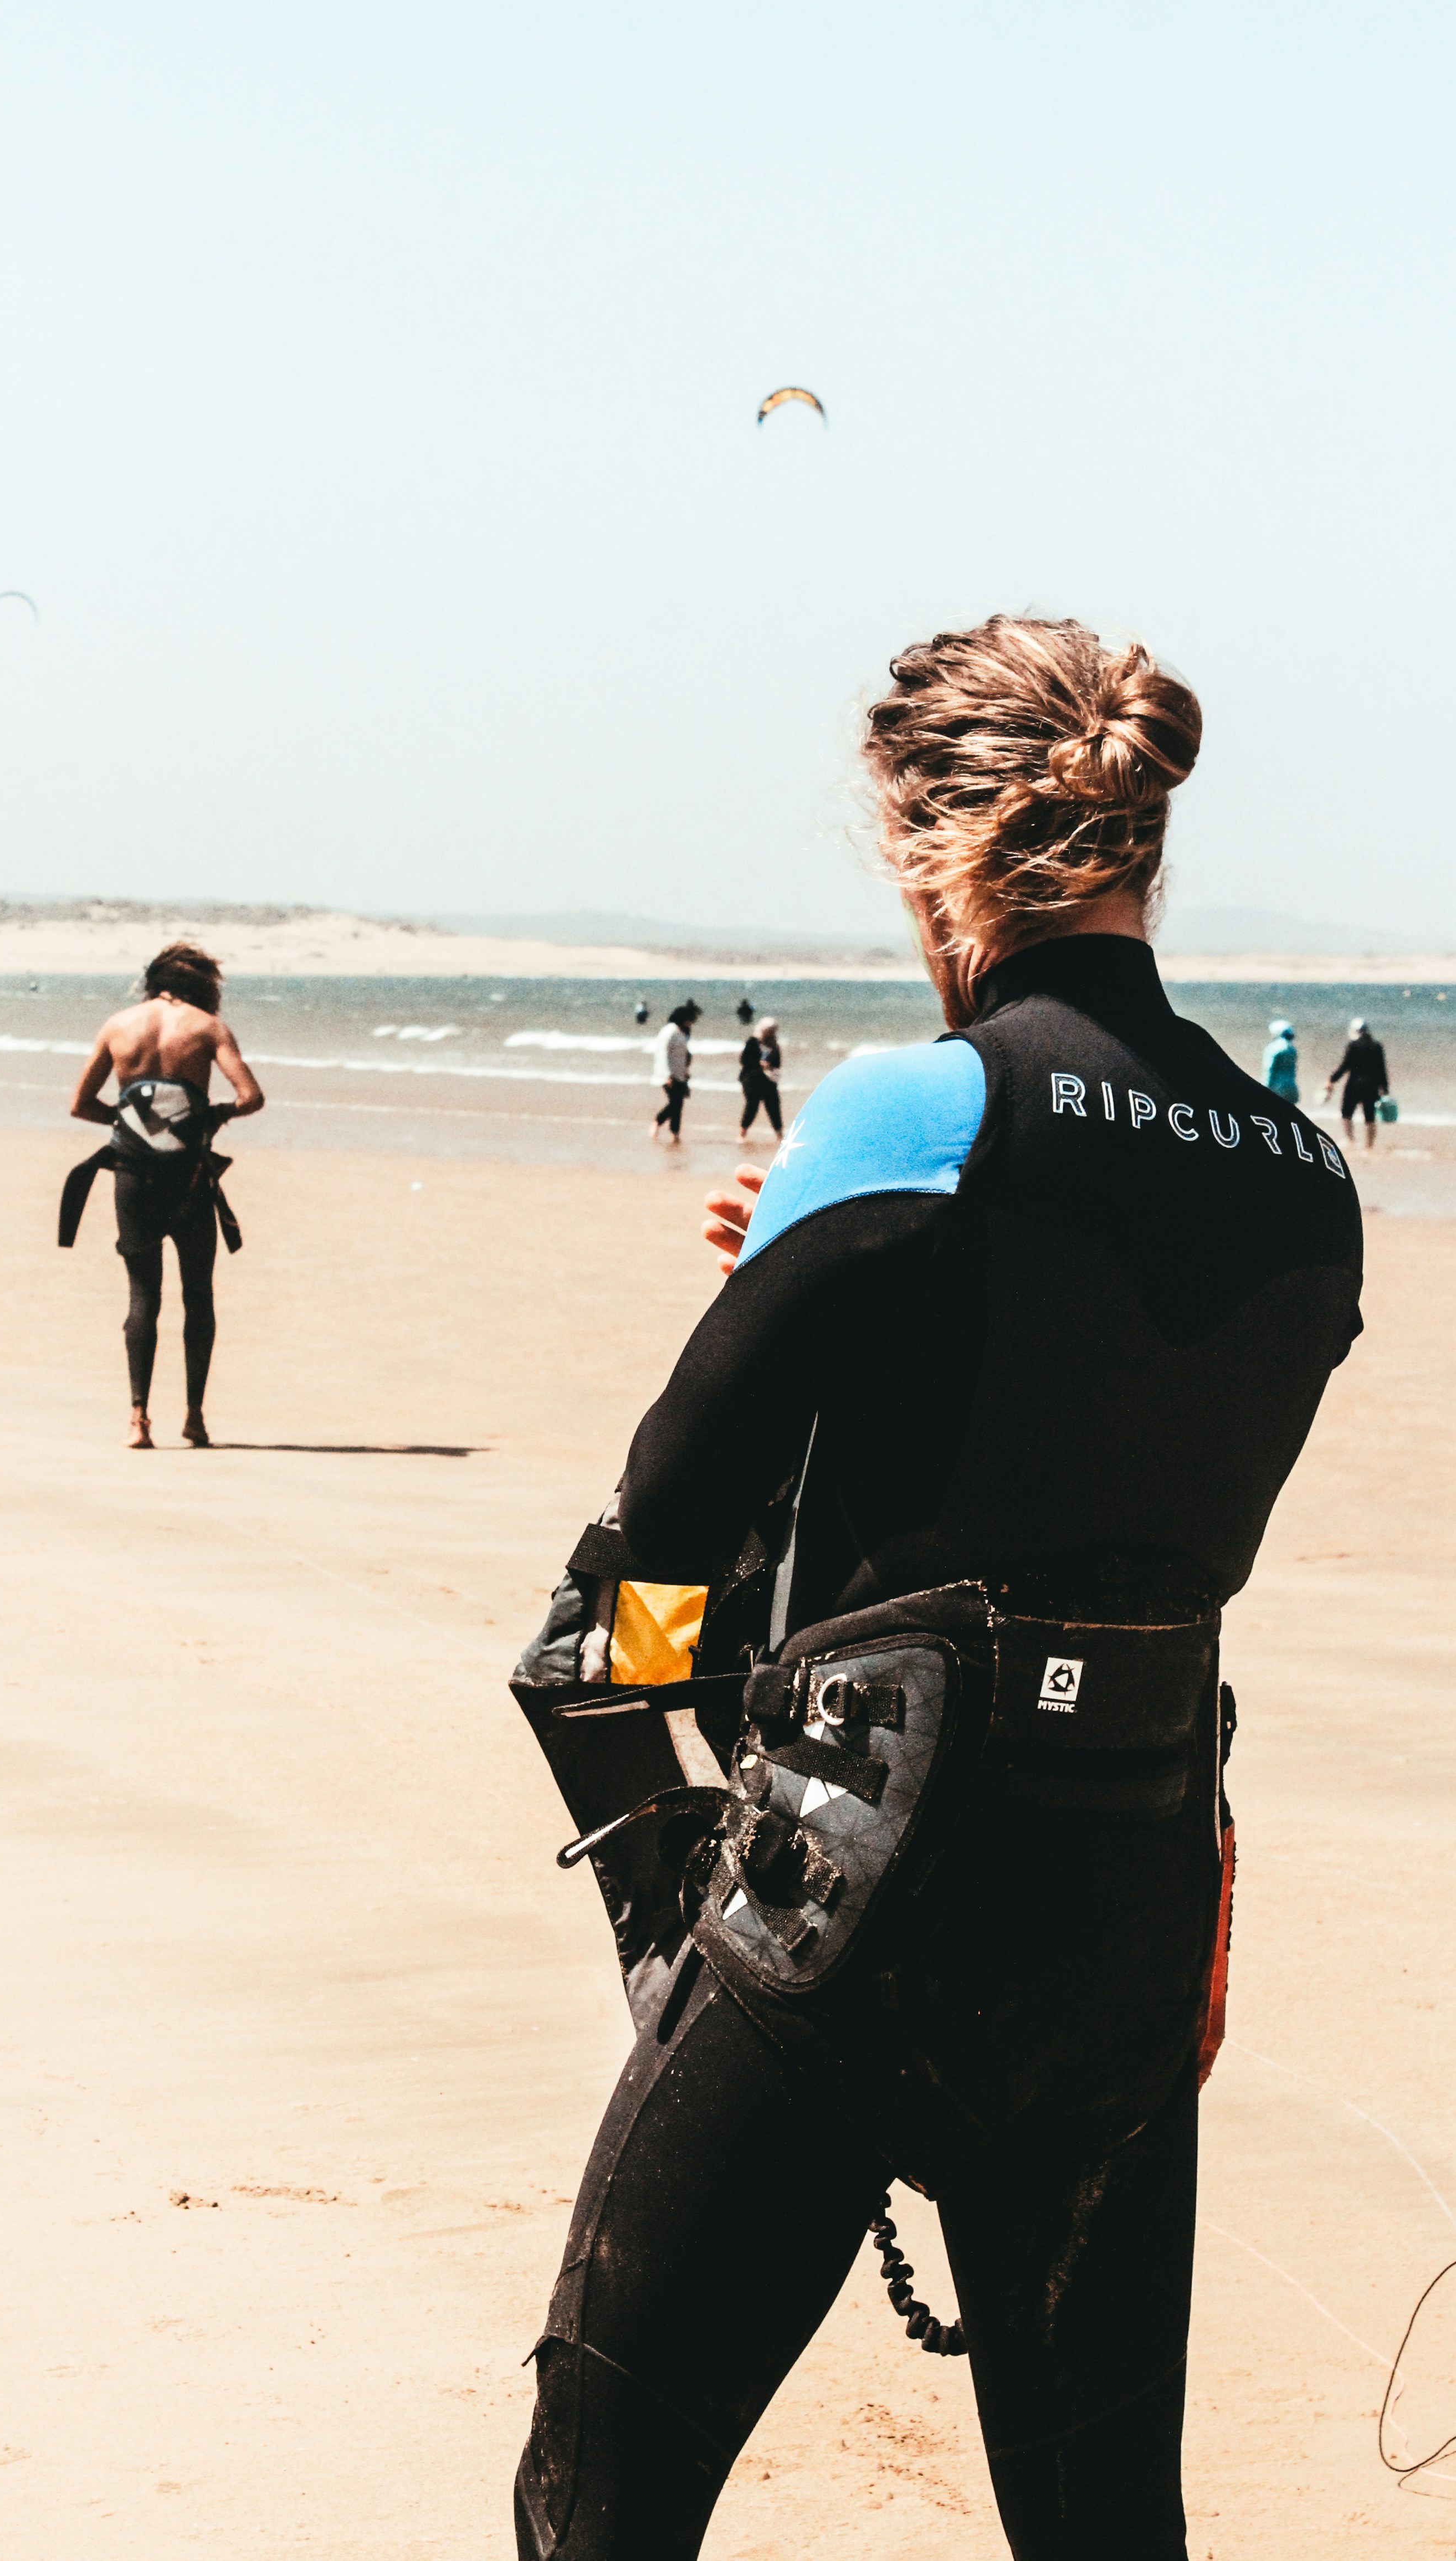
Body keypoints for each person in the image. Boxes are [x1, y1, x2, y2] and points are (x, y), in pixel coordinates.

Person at [513, 616, 1362, 2560]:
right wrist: (828, 1281)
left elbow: (636, 1578)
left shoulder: (912, 1112)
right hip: (1130, 1928)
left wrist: (678, 1927)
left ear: (932, 846)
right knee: (1098, 2533)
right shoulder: (1306, 1170)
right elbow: (1080, 1460)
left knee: (601, 2496)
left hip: (854, 1917)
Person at [64, 941, 264, 1449]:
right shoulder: (209, 1028)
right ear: (204, 986)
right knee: (198, 1296)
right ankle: (195, 1418)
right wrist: (212, 1116)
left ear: (153, 980)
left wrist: (133, 1122)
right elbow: (251, 1097)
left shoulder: (119, 1026)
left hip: (133, 1177)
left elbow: (81, 1105)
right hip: (190, 1180)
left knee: (142, 1297)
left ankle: (138, 1420)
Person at [1324, 1015, 1388, 1150]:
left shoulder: (1353, 1046)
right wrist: (1385, 1088)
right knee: (1370, 1117)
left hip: (1355, 1085)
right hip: (1372, 1086)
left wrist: (1332, 1079)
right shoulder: (1377, 1046)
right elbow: (1382, 1069)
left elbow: (1345, 1066)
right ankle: (1369, 1145)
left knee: (1347, 1113)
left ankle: (1350, 1140)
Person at [652, 1003, 697, 1145]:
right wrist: (667, 1075)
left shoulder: (683, 1032)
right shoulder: (669, 1031)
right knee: (675, 1103)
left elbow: (683, 1055)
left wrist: (686, 1071)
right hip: (668, 1075)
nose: (691, 1022)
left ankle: (674, 1135)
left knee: (679, 1105)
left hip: (680, 1074)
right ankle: (657, 1123)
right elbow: (663, 1054)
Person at [737, 1015, 783, 1140]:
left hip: (769, 1081)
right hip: (752, 1080)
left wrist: (770, 1065)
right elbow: (744, 1060)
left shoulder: (774, 1045)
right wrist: (759, 1063)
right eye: (770, 1030)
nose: (772, 1033)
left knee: (774, 1107)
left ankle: (780, 1136)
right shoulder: (753, 1042)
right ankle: (742, 1135)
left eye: (773, 1030)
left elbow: (778, 1063)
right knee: (752, 1107)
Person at [1261, 1016, 1300, 1103]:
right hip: (1291, 1087)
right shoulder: (1292, 1049)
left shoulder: (1273, 1049)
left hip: (1277, 1088)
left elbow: (1269, 1070)